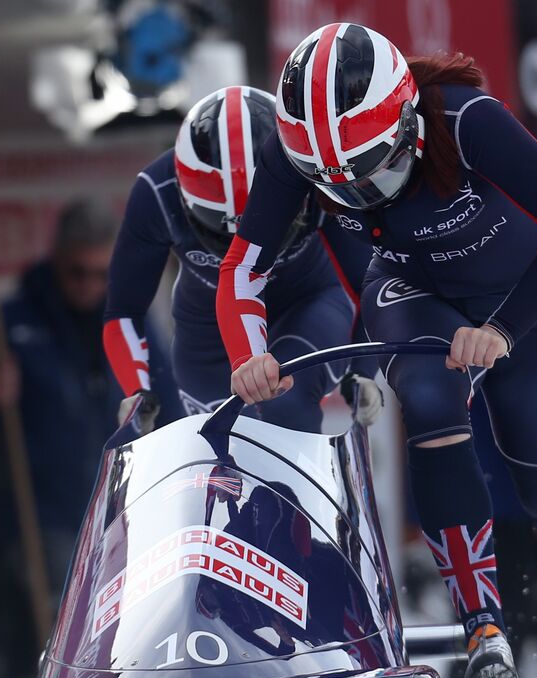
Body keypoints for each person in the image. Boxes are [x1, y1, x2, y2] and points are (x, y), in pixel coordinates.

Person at [215, 23, 537, 678]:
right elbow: (242, 269)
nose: (359, 190)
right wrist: (246, 353)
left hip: (527, 300)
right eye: (332, 181)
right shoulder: (296, 156)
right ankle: (480, 622)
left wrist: (503, 328)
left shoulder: (468, 123)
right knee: (430, 404)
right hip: (412, 290)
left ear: (408, 125)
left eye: (374, 165)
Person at [0, 199, 182, 678]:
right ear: (57, 259)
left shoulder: (131, 322)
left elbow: (169, 407)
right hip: (35, 519)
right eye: (79, 272)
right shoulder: (7, 324)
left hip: (116, 516)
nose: (91, 286)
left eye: (101, 274)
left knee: (116, 645)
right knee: (46, 647)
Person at [103, 84, 381, 432]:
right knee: (221, 440)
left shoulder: (314, 172)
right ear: (185, 198)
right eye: (222, 232)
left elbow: (368, 279)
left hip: (306, 305)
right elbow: (124, 309)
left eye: (268, 225)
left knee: (285, 405)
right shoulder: (156, 193)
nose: (239, 243)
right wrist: (136, 388)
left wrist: (362, 369)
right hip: (208, 330)